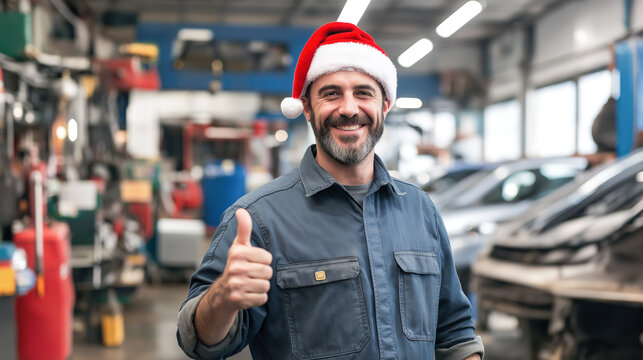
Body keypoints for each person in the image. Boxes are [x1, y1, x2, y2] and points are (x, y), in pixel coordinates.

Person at [177, 22, 484, 360]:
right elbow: (197, 341)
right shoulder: (259, 219)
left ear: (385, 106)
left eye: (364, 93)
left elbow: (455, 332)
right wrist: (222, 297)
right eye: (331, 93)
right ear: (307, 108)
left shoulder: (420, 209)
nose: (349, 108)